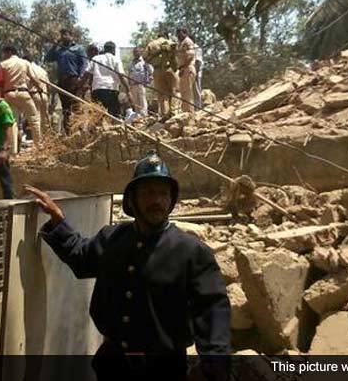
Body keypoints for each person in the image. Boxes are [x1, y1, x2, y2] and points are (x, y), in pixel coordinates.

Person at [24, 151, 231, 381]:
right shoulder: (113, 238)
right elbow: (82, 258)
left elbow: (212, 312)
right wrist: (58, 221)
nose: (157, 200)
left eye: (164, 193)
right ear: (132, 199)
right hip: (112, 367)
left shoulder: (191, 252)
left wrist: (214, 368)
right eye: (149, 193)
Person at [44, 29, 88, 135]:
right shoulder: (59, 51)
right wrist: (55, 45)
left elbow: (84, 64)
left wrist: (80, 79)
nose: (63, 36)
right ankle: (68, 133)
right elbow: (47, 58)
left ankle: (79, 132)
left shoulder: (78, 48)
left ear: (71, 36)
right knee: (66, 109)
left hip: (74, 81)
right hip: (62, 82)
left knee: (76, 107)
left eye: (65, 34)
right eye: (61, 35)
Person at [0, 45, 41, 152]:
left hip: (9, 94)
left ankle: (13, 151)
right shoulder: (24, 63)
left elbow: (0, 83)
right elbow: (33, 78)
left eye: (4, 53)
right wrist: (39, 87)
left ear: (9, 52)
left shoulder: (3, 65)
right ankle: (39, 147)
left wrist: (2, 96)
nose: (3, 55)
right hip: (23, 93)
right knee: (34, 119)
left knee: (13, 122)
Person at [82, 41, 133, 118]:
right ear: (113, 50)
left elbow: (86, 73)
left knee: (97, 115)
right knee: (113, 115)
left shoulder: (95, 58)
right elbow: (121, 76)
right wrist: (128, 91)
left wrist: (80, 85)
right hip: (111, 90)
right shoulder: (116, 60)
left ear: (105, 49)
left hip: (97, 90)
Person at [145, 32, 178, 117]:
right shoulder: (171, 43)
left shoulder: (152, 44)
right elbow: (176, 57)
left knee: (162, 93)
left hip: (158, 70)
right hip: (169, 69)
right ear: (166, 36)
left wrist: (154, 59)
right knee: (173, 91)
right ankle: (174, 112)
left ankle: (164, 114)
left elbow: (145, 58)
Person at [24, 56, 51, 136]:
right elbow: (48, 85)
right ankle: (47, 139)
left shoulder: (28, 69)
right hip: (44, 95)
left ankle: (38, 140)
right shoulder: (42, 70)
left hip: (34, 94)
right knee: (45, 119)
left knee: (35, 119)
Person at [176, 27, 197, 113]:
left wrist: (183, 67)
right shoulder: (181, 44)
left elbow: (190, 56)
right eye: (177, 34)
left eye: (180, 33)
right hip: (183, 68)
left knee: (187, 92)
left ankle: (189, 112)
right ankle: (186, 111)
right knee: (184, 92)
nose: (178, 36)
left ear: (185, 33)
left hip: (187, 68)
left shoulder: (187, 42)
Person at [128, 47, 153, 117]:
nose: (135, 53)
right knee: (136, 104)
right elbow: (129, 74)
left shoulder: (144, 62)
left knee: (142, 102)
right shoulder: (131, 63)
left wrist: (148, 82)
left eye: (137, 52)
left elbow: (151, 72)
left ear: (140, 52)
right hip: (133, 86)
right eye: (134, 52)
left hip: (141, 85)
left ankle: (144, 117)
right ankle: (138, 118)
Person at [193, 45, 204, 110]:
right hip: (192, 72)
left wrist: (196, 73)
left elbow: (198, 61)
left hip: (196, 72)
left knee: (197, 90)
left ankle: (198, 107)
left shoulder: (196, 47)